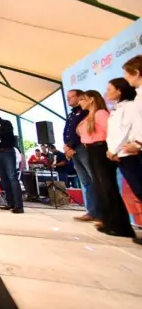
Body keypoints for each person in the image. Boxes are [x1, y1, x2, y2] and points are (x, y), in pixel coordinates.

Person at [78, 90, 134, 238]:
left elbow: (111, 133)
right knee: (101, 189)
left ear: (91, 99)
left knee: (108, 188)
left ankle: (121, 226)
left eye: (82, 99)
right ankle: (109, 222)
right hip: (91, 151)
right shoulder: (89, 116)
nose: (80, 102)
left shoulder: (101, 113)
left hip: (101, 150)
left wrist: (112, 150)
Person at [63, 89, 100, 222]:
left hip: (83, 148)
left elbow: (81, 132)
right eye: (67, 98)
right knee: (85, 181)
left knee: (94, 178)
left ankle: (101, 212)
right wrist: (66, 146)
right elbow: (67, 131)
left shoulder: (86, 112)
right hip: (72, 149)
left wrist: (71, 146)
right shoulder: (71, 114)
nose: (68, 100)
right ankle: (92, 211)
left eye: (70, 97)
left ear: (79, 97)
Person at [106, 78, 142, 203]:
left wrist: (113, 150)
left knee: (139, 189)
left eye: (109, 89)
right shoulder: (117, 108)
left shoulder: (130, 106)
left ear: (119, 91)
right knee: (136, 190)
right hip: (120, 154)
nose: (107, 93)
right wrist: (111, 150)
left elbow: (125, 130)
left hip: (128, 153)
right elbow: (113, 132)